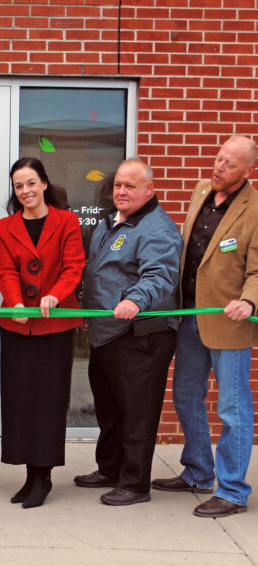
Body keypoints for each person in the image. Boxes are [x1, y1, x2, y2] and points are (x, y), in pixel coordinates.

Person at [151, 135, 258, 518]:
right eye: (218, 158)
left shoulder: (254, 209)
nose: (218, 167)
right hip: (189, 316)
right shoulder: (200, 190)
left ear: (247, 170)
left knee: (232, 408)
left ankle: (232, 490)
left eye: (229, 164)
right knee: (185, 395)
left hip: (229, 323)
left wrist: (249, 300)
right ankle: (198, 471)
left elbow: (257, 270)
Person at [75, 158, 182, 506]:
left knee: (137, 412)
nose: (121, 191)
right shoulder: (110, 222)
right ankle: (110, 469)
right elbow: (100, 273)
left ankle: (135, 485)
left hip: (140, 335)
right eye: (118, 185)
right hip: (107, 333)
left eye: (130, 186)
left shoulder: (157, 228)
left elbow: (160, 275)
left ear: (149, 190)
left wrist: (135, 300)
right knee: (109, 409)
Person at [0, 157, 85, 509]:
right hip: (17, 326)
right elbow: (6, 271)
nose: (26, 190)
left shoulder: (67, 221)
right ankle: (28, 475)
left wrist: (54, 295)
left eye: (31, 182)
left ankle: (43, 476)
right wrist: (15, 303)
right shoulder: (4, 227)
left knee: (47, 402)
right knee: (20, 401)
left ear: (44, 183)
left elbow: (74, 266)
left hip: (54, 325)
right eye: (19, 186)